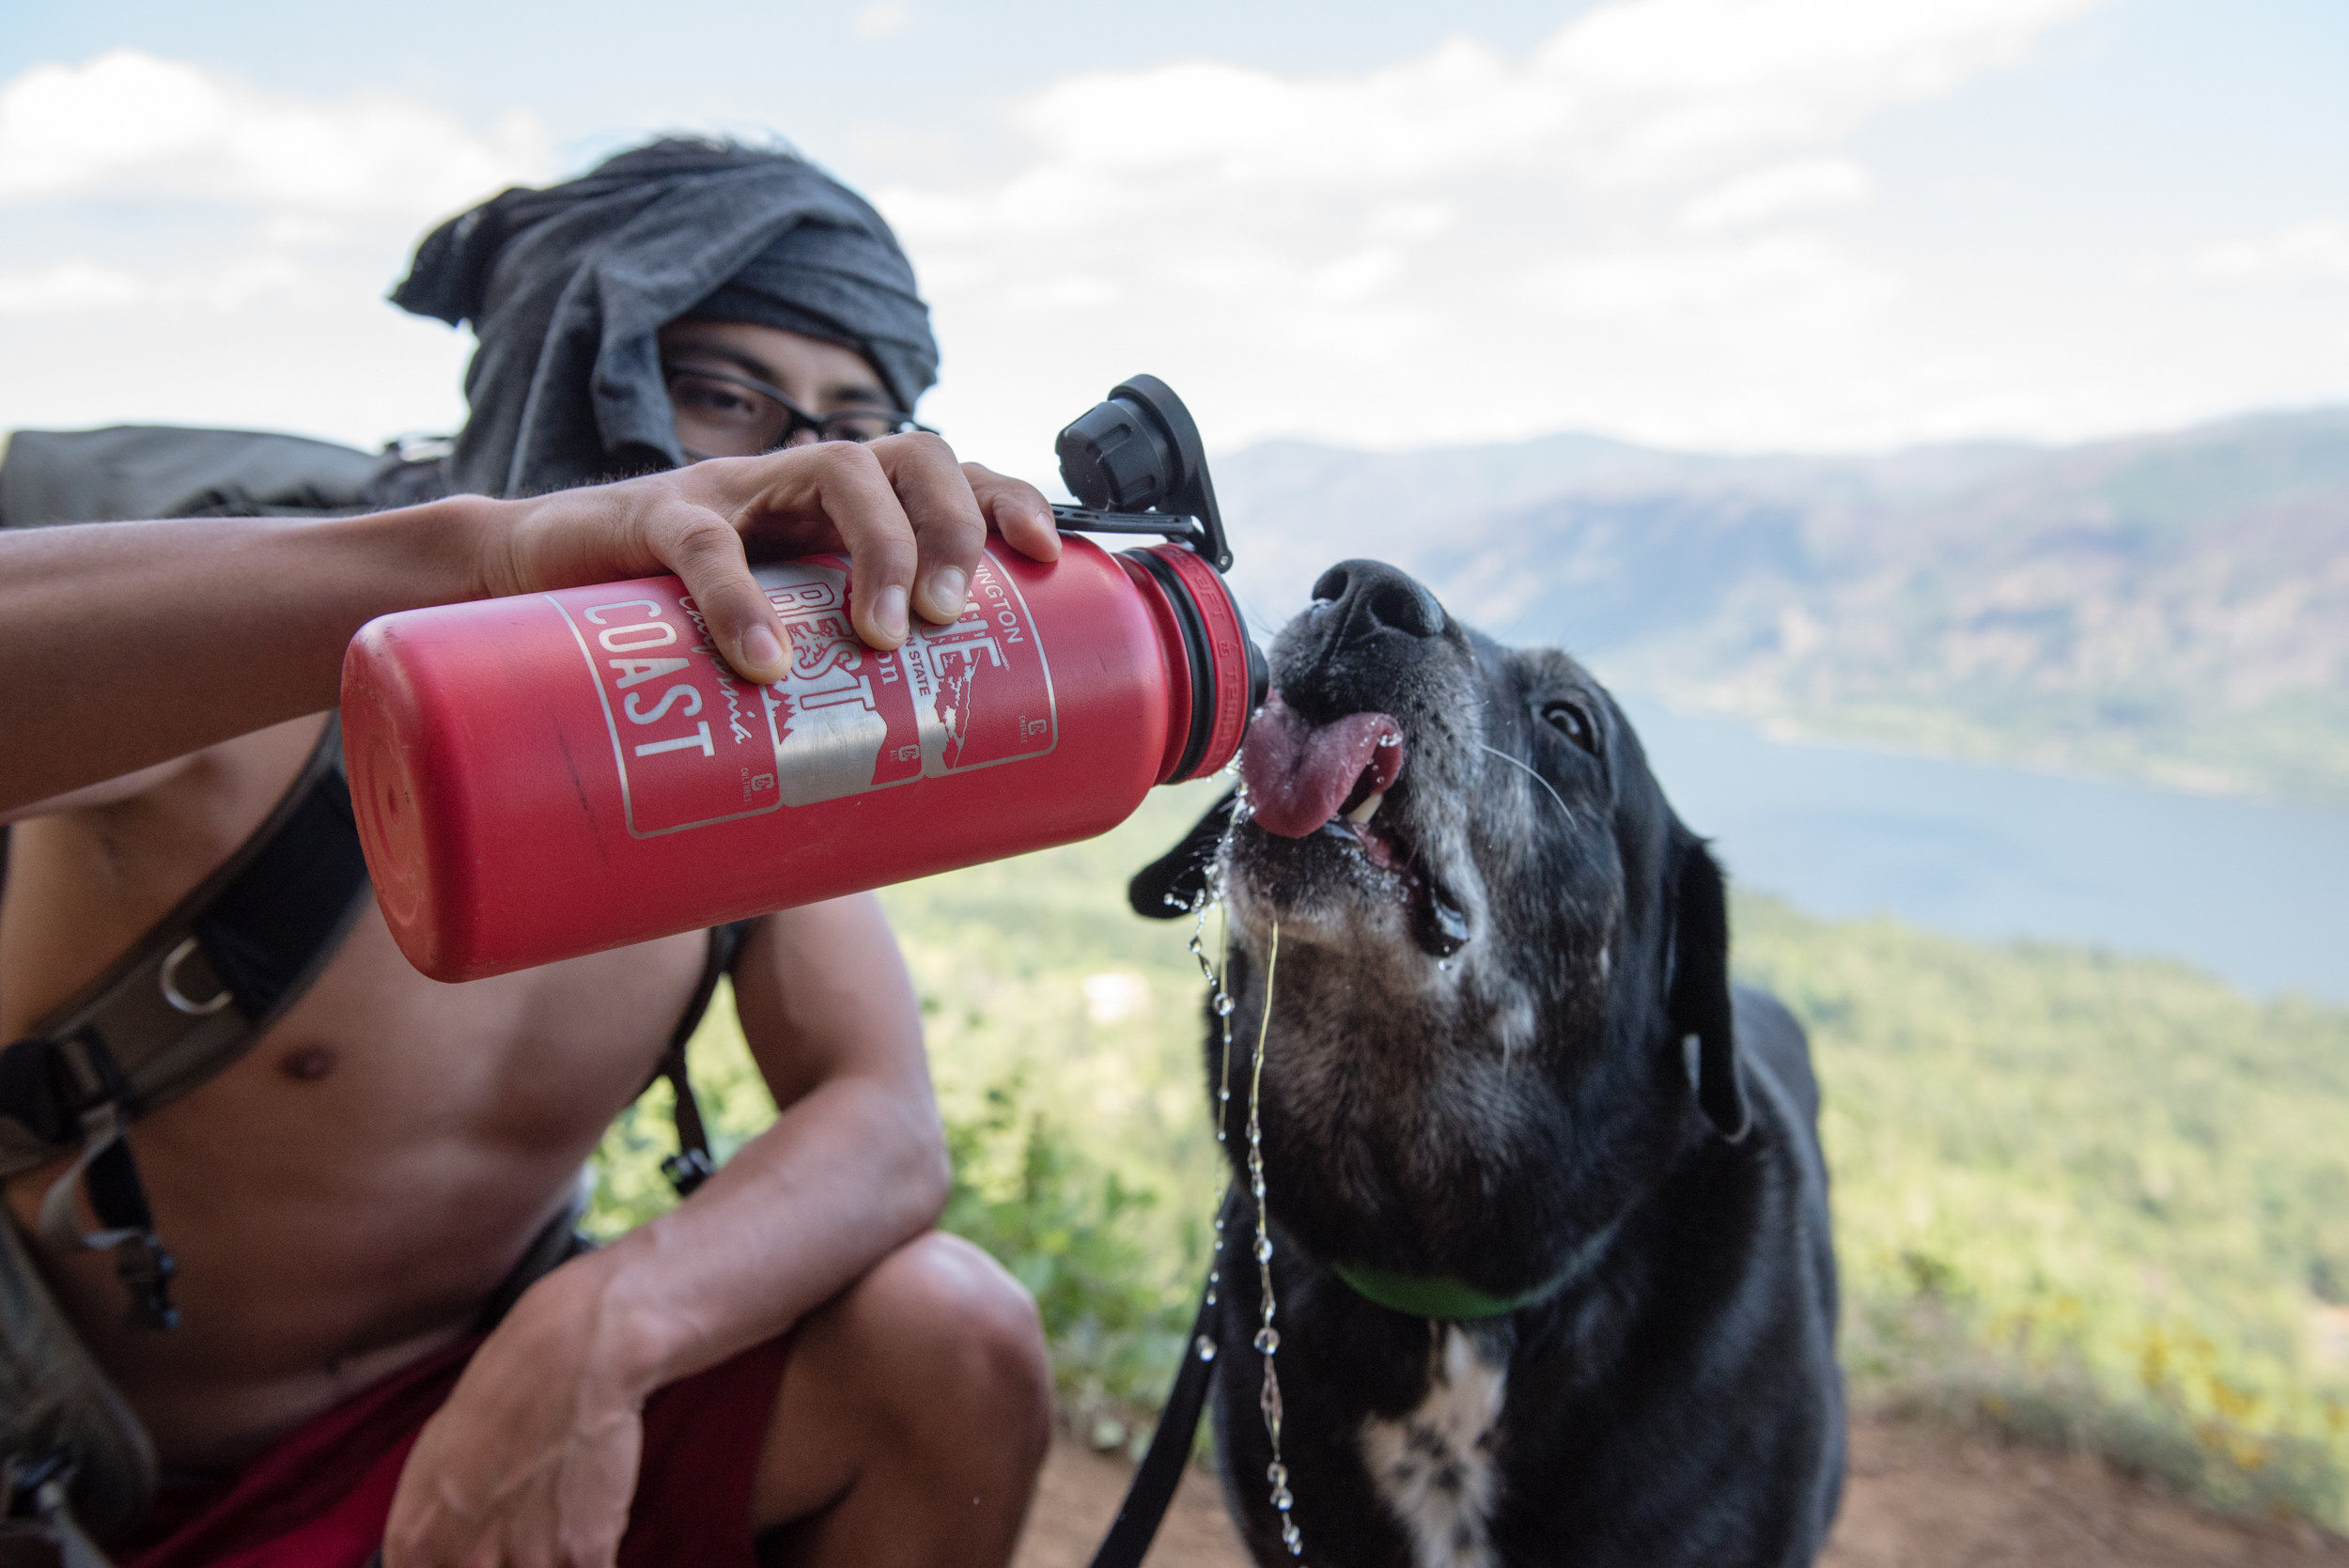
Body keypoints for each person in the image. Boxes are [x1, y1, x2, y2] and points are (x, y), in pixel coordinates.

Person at [0, 139, 1064, 1568]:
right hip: (63, 1457)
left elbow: (885, 1121)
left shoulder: (754, 749)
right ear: (567, 376)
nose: (778, 455)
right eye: (720, 393)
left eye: (850, 417)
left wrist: (607, 1325)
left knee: (952, 1340)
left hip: (453, 1445)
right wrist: (482, 567)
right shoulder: (273, 637)